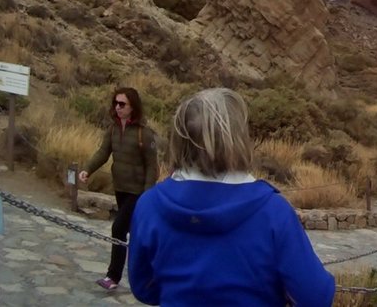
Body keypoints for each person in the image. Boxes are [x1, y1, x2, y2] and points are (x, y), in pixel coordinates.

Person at [128, 87, 334, 307]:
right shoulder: (273, 212)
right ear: (238, 140)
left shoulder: (149, 205)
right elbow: (316, 297)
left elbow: (143, 288)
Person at [79, 86, 158, 292]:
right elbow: (102, 152)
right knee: (133, 232)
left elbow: (152, 166)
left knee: (118, 228)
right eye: (115, 103)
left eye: (122, 104)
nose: (118, 107)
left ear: (133, 107)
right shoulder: (113, 129)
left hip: (138, 192)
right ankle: (149, 271)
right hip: (120, 188)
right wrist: (88, 169)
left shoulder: (144, 133)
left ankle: (112, 276)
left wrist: (148, 194)